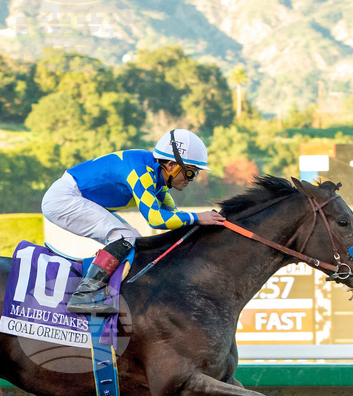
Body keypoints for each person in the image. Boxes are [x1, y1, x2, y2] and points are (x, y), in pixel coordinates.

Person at [41, 128, 225, 315]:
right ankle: (84, 294)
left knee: (135, 240)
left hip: (74, 195)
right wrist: (197, 217)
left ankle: (110, 292)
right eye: (191, 173)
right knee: (125, 237)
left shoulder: (157, 176)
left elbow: (172, 215)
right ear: (171, 165)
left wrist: (200, 225)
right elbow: (155, 219)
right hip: (64, 198)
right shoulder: (141, 172)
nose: (192, 179)